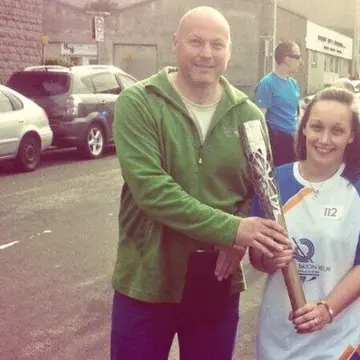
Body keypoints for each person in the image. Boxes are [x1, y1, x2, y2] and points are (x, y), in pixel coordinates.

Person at [110, 7, 291, 360]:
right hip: (146, 279)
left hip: (217, 281)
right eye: (195, 42)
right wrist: (233, 230)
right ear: (175, 44)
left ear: (229, 51)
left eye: (217, 44)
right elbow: (152, 192)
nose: (206, 53)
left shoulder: (248, 116)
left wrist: (236, 242)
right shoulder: (140, 102)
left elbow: (256, 188)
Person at [250, 87, 360, 360]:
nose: (324, 139)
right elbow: (257, 259)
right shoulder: (274, 182)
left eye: (337, 131)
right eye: (316, 127)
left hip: (341, 337)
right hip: (280, 333)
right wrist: (270, 259)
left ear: (352, 136)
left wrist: (326, 310)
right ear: (303, 128)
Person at [255, 40, 303, 166]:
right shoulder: (267, 83)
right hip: (277, 142)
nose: (301, 61)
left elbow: (297, 113)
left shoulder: (294, 84)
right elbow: (260, 118)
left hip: (293, 140)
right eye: (298, 57)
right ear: (287, 59)